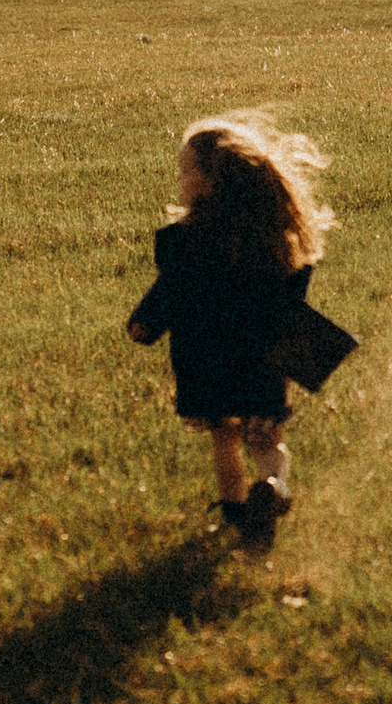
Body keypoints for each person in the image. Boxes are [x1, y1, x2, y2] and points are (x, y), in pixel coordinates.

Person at [126, 109, 335, 550]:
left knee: (225, 440)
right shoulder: (271, 235)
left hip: (207, 362)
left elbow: (169, 293)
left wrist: (143, 324)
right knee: (267, 441)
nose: (180, 178)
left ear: (209, 181)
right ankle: (273, 486)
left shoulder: (182, 241)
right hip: (261, 363)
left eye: (186, 170)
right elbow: (295, 286)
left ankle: (236, 513)